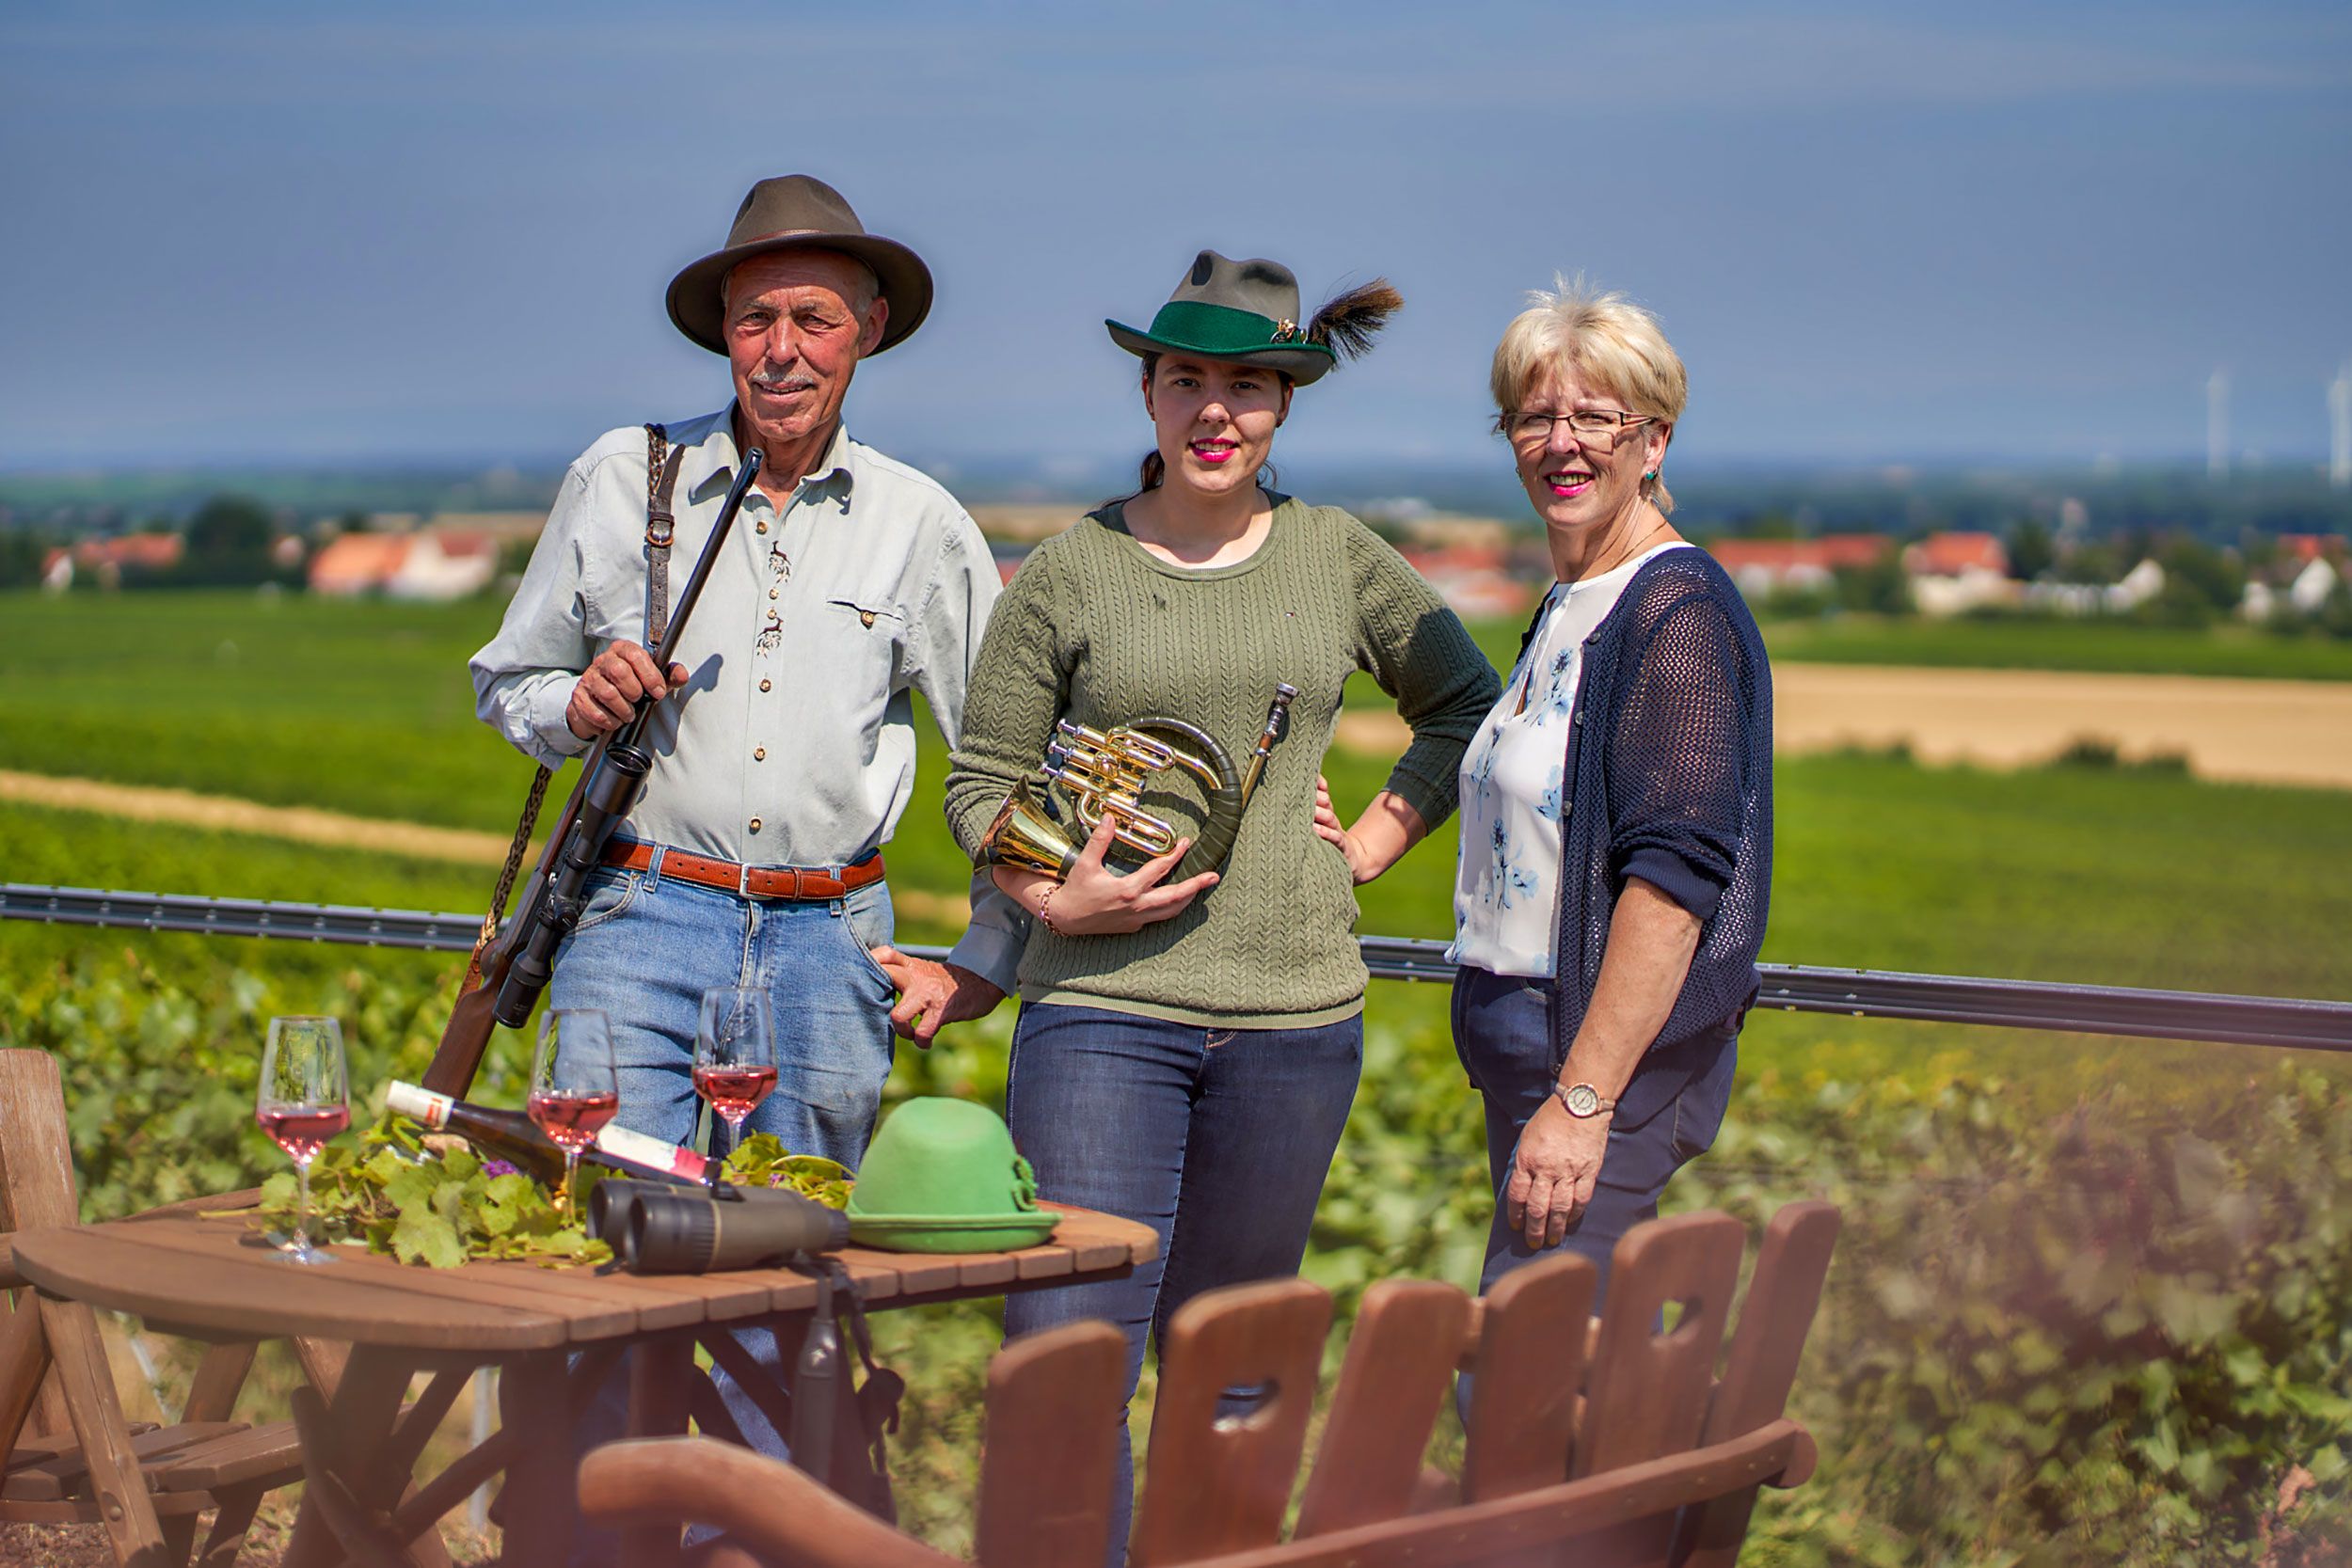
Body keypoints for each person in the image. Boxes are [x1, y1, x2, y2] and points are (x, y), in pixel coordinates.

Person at [469, 173, 1017, 1560]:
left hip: (833, 947)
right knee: (597, 1268)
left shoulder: (924, 523)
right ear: (723, 329)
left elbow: (1001, 760)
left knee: (789, 1294)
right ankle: (583, 1541)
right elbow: (506, 680)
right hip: (639, 915)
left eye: (814, 317)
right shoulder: (624, 477)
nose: (782, 345)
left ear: (868, 331)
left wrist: (985, 955)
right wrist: (571, 702)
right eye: (757, 314)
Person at [937, 250, 1501, 1556]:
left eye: (1247, 385)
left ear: (1286, 404)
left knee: (1237, 1371)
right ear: (1147, 392)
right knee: (1069, 1363)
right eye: (1187, 378)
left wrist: (1368, 840)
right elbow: (981, 781)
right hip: (1100, 1015)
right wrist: (1045, 895)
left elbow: (1465, 703)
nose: (1215, 410)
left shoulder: (1335, 556)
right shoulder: (1072, 568)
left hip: (1295, 1021)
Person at [1449, 277, 1772, 1312]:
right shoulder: (1569, 602)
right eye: (1536, 416)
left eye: (1595, 417)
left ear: (1655, 440)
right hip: (1533, 1054)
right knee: (1565, 1369)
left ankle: (1685, 1483)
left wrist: (1583, 1100)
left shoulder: (1671, 610)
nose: (1562, 442)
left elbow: (1671, 888)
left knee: (1517, 1373)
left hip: (1599, 1066)